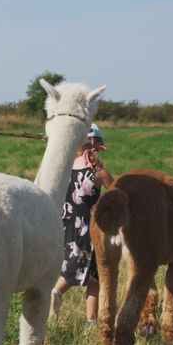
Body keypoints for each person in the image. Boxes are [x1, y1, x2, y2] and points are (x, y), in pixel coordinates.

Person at [51, 124, 114, 324]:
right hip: (90, 228)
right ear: (96, 146)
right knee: (83, 273)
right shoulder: (99, 172)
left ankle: (91, 321)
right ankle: (55, 293)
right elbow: (118, 194)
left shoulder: (65, 167)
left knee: (87, 272)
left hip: (65, 224)